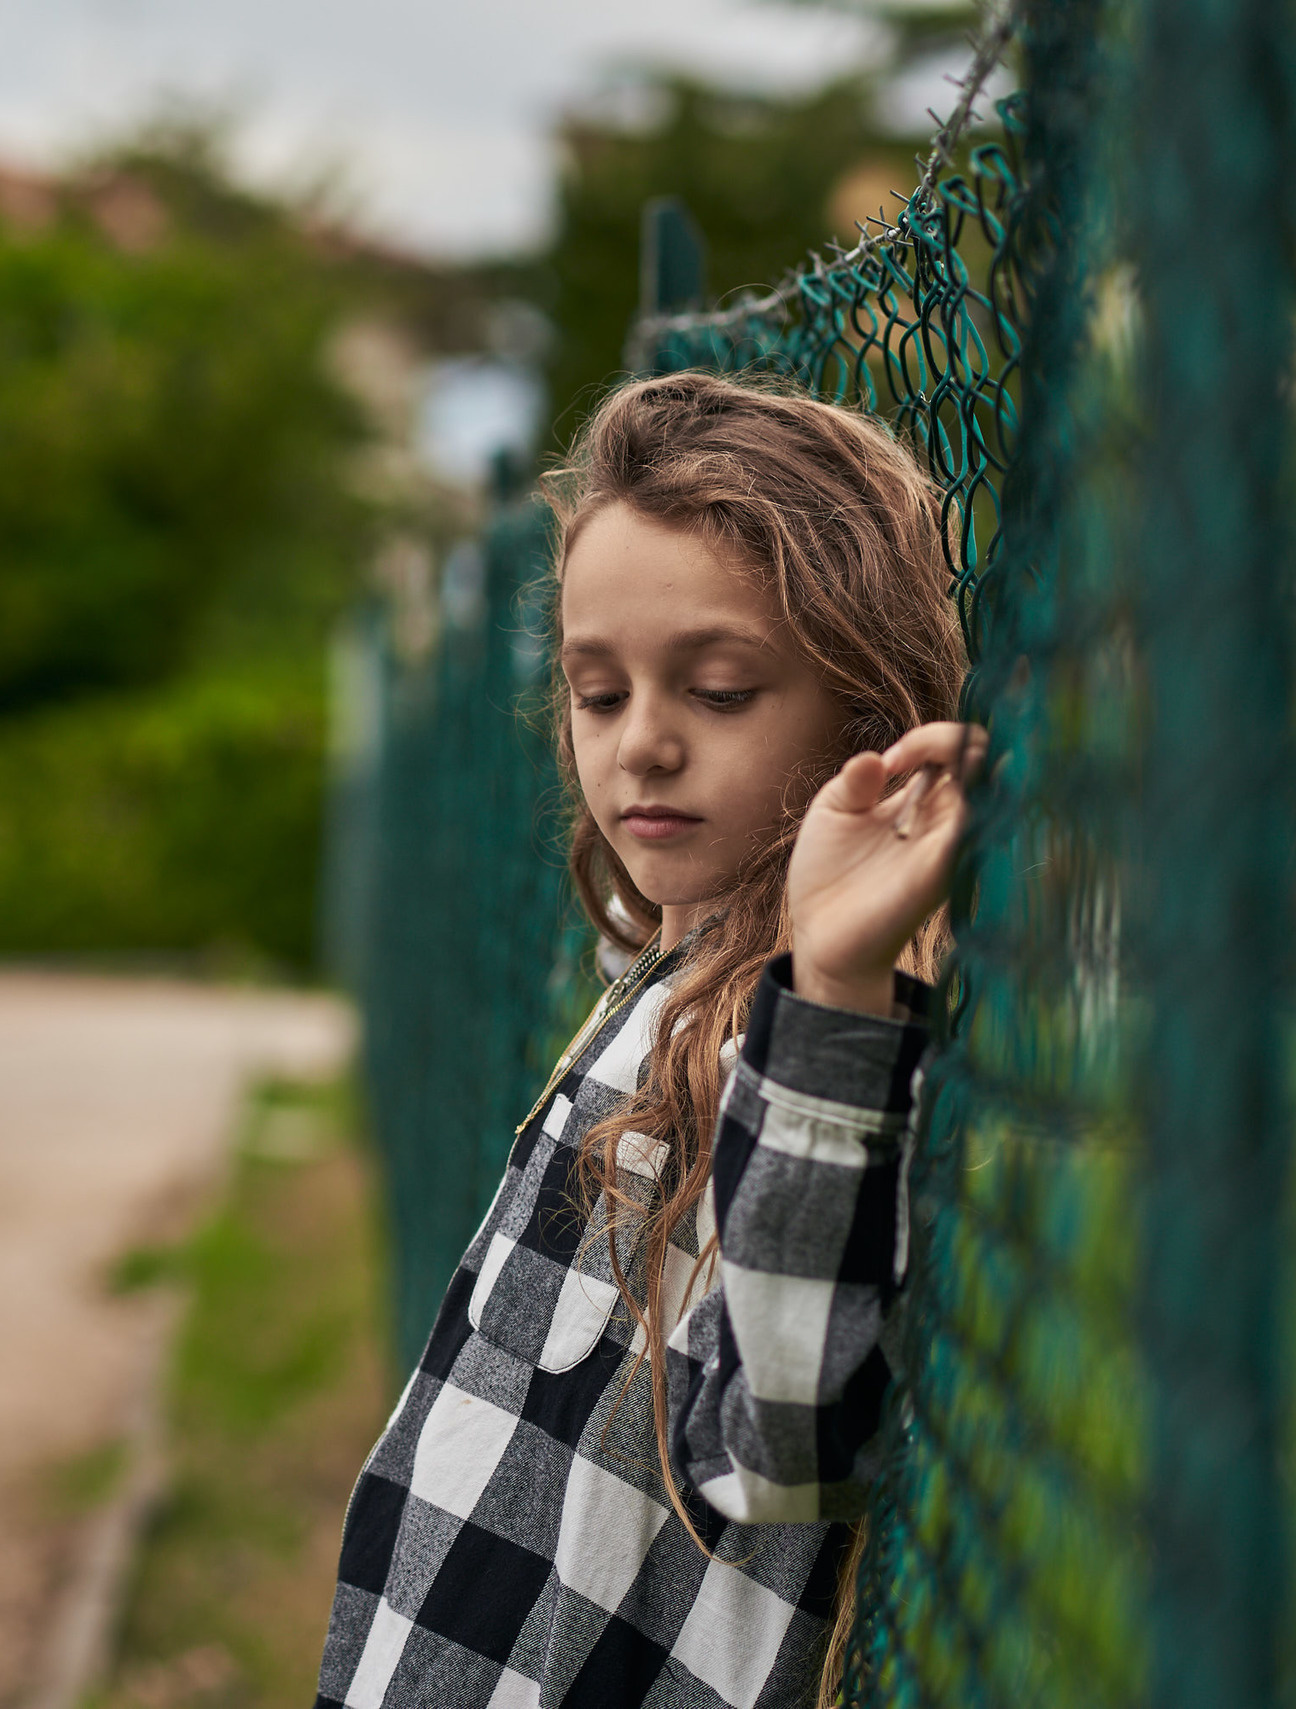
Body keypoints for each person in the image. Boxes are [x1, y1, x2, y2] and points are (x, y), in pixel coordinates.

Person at [316, 370, 979, 1709]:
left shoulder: (799, 1039)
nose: (643, 747)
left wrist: (836, 981)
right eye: (597, 691)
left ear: (864, 711)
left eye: (721, 689)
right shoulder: (672, 967)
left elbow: (785, 1445)